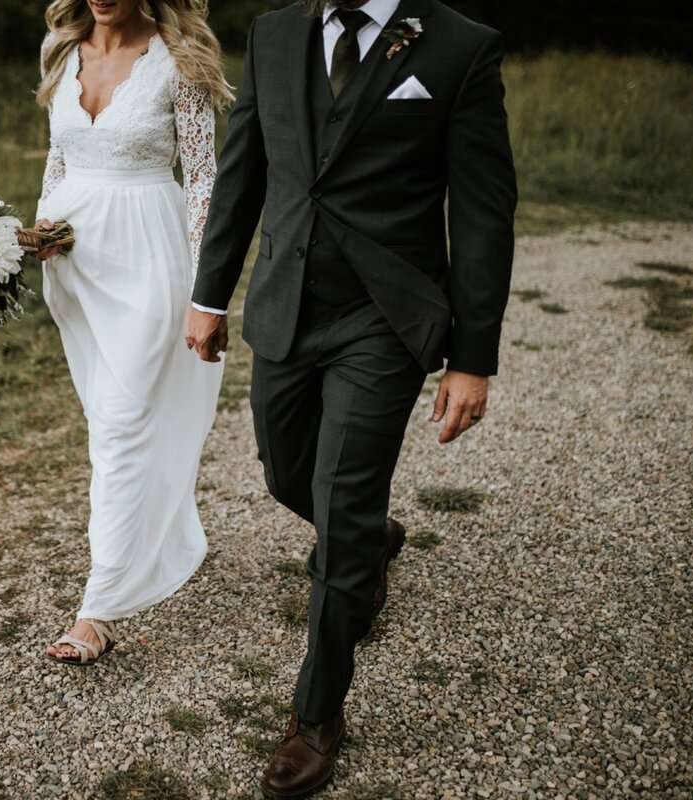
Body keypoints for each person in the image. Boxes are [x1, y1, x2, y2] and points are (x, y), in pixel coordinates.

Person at [184, 0, 516, 796]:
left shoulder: (461, 49)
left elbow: (481, 211)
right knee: (283, 471)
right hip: (286, 304)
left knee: (340, 498)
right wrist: (209, 293)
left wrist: (473, 357)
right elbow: (244, 172)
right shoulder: (274, 34)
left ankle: (317, 713)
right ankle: (363, 541)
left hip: (386, 314)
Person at [34, 0, 233, 665]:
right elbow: (58, 161)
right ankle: (173, 537)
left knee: (120, 421)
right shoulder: (60, 50)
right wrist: (32, 238)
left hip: (150, 256)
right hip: (73, 264)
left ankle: (98, 610)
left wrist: (208, 289)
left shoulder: (178, 60)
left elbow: (203, 175)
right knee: (108, 418)